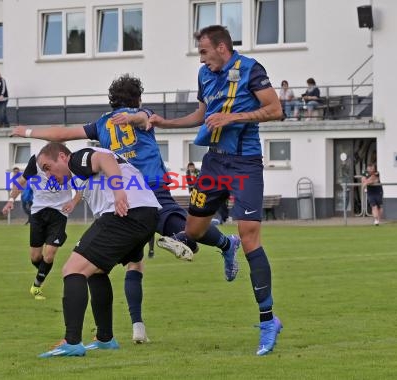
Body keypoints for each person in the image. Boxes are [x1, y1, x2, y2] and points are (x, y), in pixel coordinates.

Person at [12, 74, 240, 344]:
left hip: (135, 191)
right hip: (144, 189)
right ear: (138, 97)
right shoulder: (132, 115)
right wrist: (136, 119)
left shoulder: (107, 123)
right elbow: (143, 119)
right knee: (146, 253)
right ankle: (139, 320)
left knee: (139, 259)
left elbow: (66, 133)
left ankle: (214, 244)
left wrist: (27, 132)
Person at [148, 25, 284, 356]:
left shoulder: (251, 69)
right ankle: (226, 245)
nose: (202, 59)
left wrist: (233, 117)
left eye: (205, 52)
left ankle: (268, 321)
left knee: (250, 233)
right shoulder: (204, 75)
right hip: (213, 164)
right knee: (190, 232)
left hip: (245, 165)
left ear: (222, 48)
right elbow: (201, 114)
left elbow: (276, 110)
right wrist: (165, 123)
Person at [35, 142, 160, 358]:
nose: (48, 174)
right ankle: (105, 339)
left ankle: (72, 342)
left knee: (72, 270)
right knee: (96, 271)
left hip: (125, 214)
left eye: (47, 167)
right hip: (145, 215)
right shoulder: (79, 176)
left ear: (63, 157)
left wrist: (119, 192)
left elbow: (105, 160)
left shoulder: (76, 159)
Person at [2, 160, 81, 300]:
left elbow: (82, 188)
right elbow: (21, 181)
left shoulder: (69, 162)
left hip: (59, 214)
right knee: (35, 258)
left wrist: (73, 202)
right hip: (38, 213)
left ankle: (36, 286)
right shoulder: (36, 161)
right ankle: (44, 270)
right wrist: (11, 200)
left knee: (49, 255)